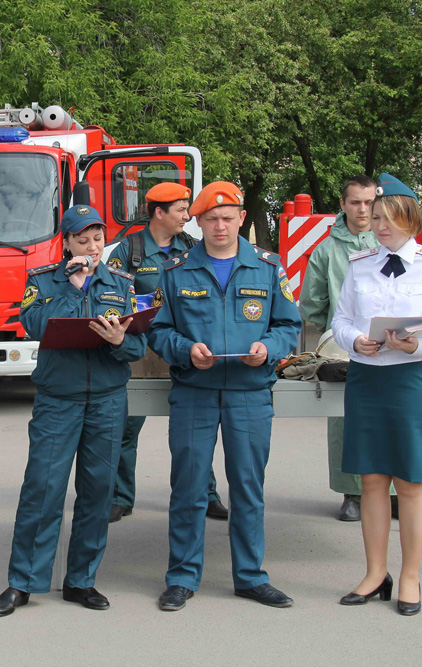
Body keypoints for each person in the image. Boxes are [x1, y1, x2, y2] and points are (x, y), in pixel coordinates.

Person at [148, 181, 301, 611]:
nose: (220, 226)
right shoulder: (176, 271)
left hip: (249, 393)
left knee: (249, 488)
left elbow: (289, 325)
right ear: (197, 223)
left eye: (228, 218)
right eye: (211, 219)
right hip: (194, 392)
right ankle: (181, 577)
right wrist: (185, 350)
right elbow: (159, 330)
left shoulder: (268, 269)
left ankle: (251, 577)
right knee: (189, 488)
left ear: (241, 220)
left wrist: (268, 349)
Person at [0, 205, 146, 617]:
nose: (92, 247)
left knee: (97, 492)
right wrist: (72, 289)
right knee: (43, 489)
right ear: (67, 243)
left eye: (97, 239)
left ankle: (81, 580)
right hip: (59, 399)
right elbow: (35, 325)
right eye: (82, 239)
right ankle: (22, 582)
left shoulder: (120, 284)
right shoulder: (43, 281)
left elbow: (137, 348)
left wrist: (117, 340)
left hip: (108, 400)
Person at [331, 174, 422, 616]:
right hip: (367, 379)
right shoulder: (360, 263)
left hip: (411, 379)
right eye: (376, 218)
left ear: (410, 218)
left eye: (388, 218)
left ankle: (409, 576)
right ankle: (374, 574)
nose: (378, 224)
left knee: (409, 480)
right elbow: (342, 319)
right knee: (370, 480)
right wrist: (354, 342)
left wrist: (418, 345)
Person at [106, 182, 228, 523]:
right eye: (181, 209)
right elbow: (113, 294)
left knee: (196, 426)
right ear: (159, 212)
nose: (188, 216)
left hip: (185, 346)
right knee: (127, 425)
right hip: (142, 348)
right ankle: (120, 497)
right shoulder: (128, 250)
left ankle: (206, 495)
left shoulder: (192, 246)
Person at [298, 175, 398, 522]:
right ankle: (351, 492)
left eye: (369, 202)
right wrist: (339, 328)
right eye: (355, 201)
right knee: (345, 418)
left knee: (392, 414)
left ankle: (394, 491)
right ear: (342, 205)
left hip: (393, 343)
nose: (363, 209)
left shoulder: (391, 241)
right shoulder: (327, 250)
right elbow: (311, 302)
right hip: (346, 346)